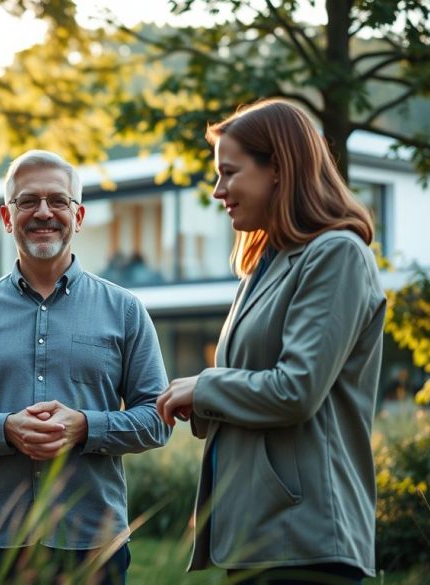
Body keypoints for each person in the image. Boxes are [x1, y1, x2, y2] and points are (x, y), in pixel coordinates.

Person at [156, 100, 386, 585]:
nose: (218, 191)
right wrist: (196, 402)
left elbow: (296, 390)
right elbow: (248, 388)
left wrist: (204, 389)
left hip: (305, 540)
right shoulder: (264, 265)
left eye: (229, 173)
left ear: (278, 169)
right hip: (256, 536)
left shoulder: (336, 255)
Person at [0, 150, 171, 585]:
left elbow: (157, 419)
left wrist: (86, 427)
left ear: (78, 216)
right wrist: (4, 430)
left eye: (57, 201)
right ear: (6, 215)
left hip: (93, 539)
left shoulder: (126, 311)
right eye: (28, 201)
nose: (43, 213)